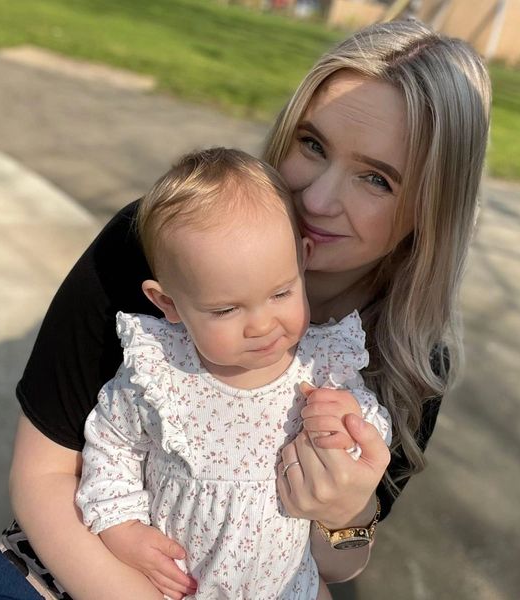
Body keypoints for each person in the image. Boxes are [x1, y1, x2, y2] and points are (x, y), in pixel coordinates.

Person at [0, 18, 490, 600]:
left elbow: (336, 567)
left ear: (431, 210)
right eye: (313, 145)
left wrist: (348, 511)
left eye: (376, 179)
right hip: (76, 565)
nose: (316, 199)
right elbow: (42, 476)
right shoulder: (161, 247)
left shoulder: (411, 357)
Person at [74, 147, 392, 600]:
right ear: (168, 303)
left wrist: (346, 425)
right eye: (225, 309)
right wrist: (122, 528)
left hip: (288, 589)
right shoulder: (158, 373)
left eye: (281, 293)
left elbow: (372, 435)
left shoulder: (323, 368)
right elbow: (111, 447)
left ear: (302, 261)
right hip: (178, 585)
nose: (262, 325)